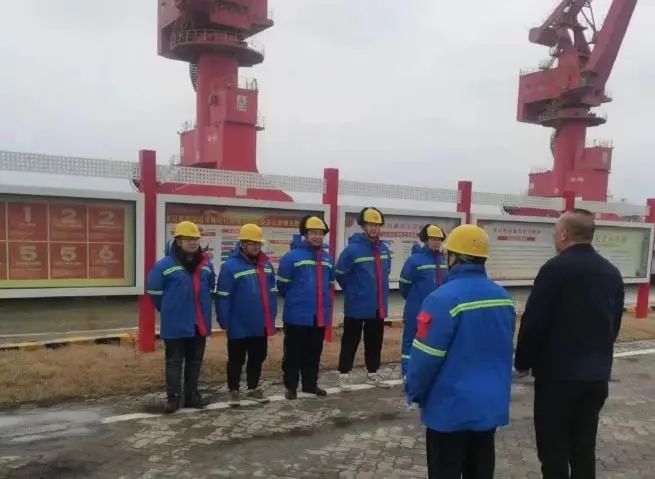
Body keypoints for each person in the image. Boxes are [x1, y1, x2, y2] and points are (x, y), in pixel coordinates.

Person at [515, 209, 624, 479]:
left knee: (553, 450)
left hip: (558, 378)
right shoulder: (611, 272)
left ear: (564, 234)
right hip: (596, 376)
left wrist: (523, 361)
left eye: (555, 232)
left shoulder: (555, 269)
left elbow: (535, 320)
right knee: (583, 448)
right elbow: (614, 324)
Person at [405, 224, 515, 479]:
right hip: (488, 409)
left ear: (453, 257)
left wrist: (413, 391)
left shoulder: (441, 299)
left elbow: (425, 358)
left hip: (449, 411)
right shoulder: (503, 298)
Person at [147, 221, 215, 414]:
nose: (193, 243)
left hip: (198, 323)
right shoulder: (164, 265)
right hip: (175, 324)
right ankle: (173, 398)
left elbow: (211, 287)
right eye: (188, 239)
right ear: (178, 241)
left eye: (195, 239)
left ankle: (192, 395)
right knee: (174, 363)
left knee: (195, 362)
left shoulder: (205, 264)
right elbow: (154, 292)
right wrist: (170, 310)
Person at [216, 223, 278, 406]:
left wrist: (271, 316)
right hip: (238, 323)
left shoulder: (267, 266)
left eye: (258, 243)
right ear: (242, 244)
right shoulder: (230, 267)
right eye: (252, 243)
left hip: (260, 323)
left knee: (258, 357)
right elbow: (223, 296)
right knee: (236, 359)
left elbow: (272, 292)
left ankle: (253, 388)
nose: (256, 246)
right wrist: (224, 320)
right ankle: (233, 390)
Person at [277, 215, 335, 400]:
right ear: (305, 234)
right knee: (293, 353)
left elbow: (329, 284)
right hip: (296, 316)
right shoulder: (291, 257)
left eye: (320, 233)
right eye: (313, 232)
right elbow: (283, 286)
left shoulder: (328, 259)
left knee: (314, 352)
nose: (317, 236)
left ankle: (310, 385)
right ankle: (291, 387)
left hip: (319, 316)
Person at [335, 207, 391, 389]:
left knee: (374, 341)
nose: (374, 228)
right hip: (356, 305)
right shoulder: (352, 250)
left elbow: (386, 272)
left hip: (377, 305)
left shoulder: (384, 250)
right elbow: (340, 273)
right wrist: (353, 291)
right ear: (363, 226)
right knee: (350, 341)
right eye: (370, 225)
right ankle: (344, 374)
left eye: (377, 225)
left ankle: (372, 372)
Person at [399, 224, 447, 379]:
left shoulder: (445, 260)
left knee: (435, 341)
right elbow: (404, 285)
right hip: (416, 309)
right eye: (433, 239)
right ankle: (407, 372)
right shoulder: (414, 260)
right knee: (410, 341)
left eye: (439, 239)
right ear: (425, 240)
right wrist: (414, 299)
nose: (436, 242)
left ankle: (429, 371)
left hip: (439, 310)